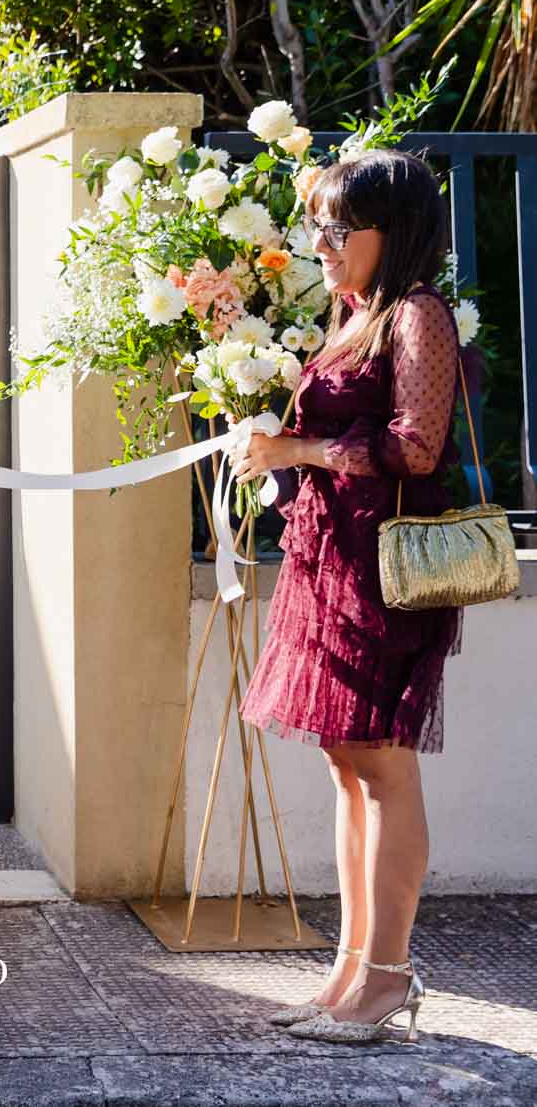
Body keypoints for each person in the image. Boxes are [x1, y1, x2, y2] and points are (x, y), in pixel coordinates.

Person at [231, 149, 462, 1044]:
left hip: (384, 570)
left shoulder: (417, 312)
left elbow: (417, 446)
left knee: (383, 763)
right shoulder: (355, 313)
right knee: (347, 762)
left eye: (339, 227)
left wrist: (297, 451)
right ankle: (351, 968)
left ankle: (388, 975)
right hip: (329, 558)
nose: (321, 243)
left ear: (391, 231)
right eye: (318, 226)